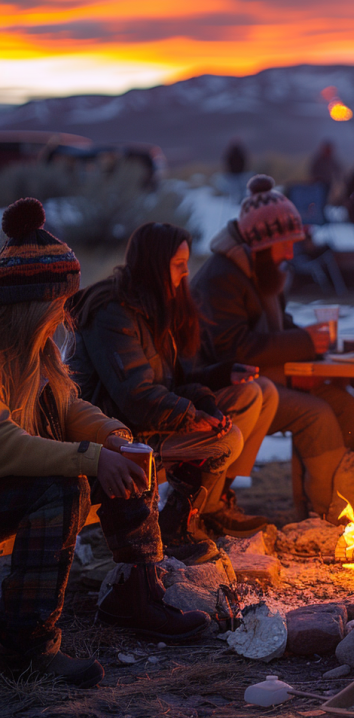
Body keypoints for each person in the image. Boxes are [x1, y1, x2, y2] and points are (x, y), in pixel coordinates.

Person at [0, 198, 209, 688]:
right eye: (58, 303)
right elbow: (4, 444)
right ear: (33, 304)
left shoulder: (37, 352)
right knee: (65, 488)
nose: (64, 314)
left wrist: (112, 438)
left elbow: (69, 408)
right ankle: (25, 646)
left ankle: (137, 593)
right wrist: (92, 458)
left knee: (128, 458)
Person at [70, 223, 279, 565]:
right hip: (118, 437)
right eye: (178, 263)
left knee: (258, 393)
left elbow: (168, 381)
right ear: (154, 264)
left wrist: (216, 380)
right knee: (228, 439)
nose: (186, 271)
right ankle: (175, 525)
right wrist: (189, 415)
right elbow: (135, 396)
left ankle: (209, 506)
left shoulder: (151, 304)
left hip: (145, 420)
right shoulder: (114, 311)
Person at [192, 175, 354, 520]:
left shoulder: (262, 270)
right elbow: (232, 350)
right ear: (261, 242)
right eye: (285, 244)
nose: (291, 252)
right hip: (228, 388)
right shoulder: (222, 278)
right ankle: (324, 514)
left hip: (268, 379)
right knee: (317, 415)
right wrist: (304, 342)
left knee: (341, 402)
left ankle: (351, 496)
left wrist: (313, 344)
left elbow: (280, 323)